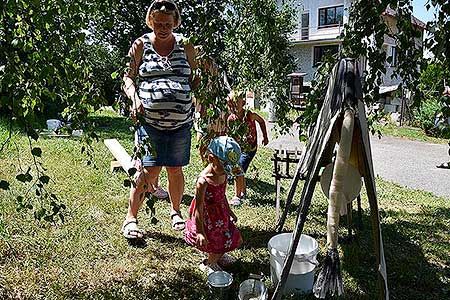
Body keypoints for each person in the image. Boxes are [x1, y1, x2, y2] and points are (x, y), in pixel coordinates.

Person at [121, 0, 198, 239]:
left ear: (175, 22)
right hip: (150, 122)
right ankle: (130, 218)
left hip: (181, 123)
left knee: (175, 169)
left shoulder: (186, 45)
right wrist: (134, 99)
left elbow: (196, 78)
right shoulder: (140, 45)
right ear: (150, 21)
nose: (162, 28)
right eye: (157, 23)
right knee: (149, 170)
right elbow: (127, 77)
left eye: (167, 23)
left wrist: (201, 98)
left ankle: (176, 212)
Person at [184, 136, 243, 274]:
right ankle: (209, 263)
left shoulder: (223, 173)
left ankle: (219, 257)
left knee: (229, 237)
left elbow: (222, 195)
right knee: (216, 240)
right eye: (224, 167)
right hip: (207, 218)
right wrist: (200, 232)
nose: (226, 171)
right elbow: (198, 207)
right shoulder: (203, 181)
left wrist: (230, 212)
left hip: (221, 213)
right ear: (211, 159)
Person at [227, 90, 269, 206]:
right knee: (239, 168)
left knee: (238, 168)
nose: (233, 107)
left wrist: (265, 136)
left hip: (250, 148)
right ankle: (243, 192)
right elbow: (230, 135)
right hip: (238, 148)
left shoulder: (249, 115)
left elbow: (261, 121)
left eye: (235, 104)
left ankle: (237, 195)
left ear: (244, 103)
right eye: (230, 105)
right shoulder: (231, 119)